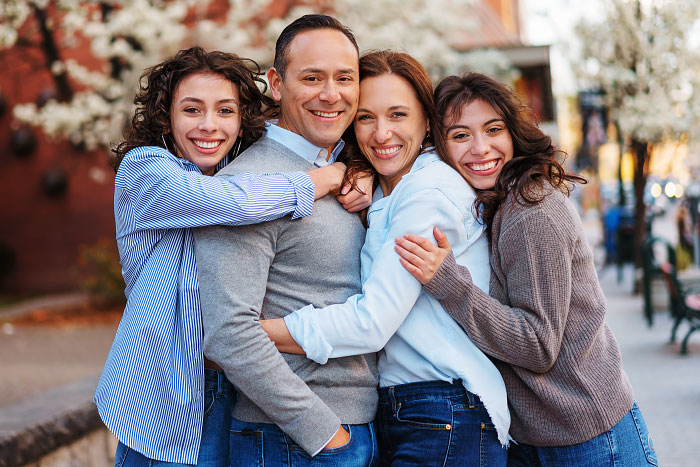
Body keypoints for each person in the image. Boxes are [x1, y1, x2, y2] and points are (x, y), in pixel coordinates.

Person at [95, 46, 370, 467]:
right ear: (166, 116)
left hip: (234, 389)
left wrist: (356, 166)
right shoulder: (146, 171)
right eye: (192, 110)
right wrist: (330, 176)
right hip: (166, 393)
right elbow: (228, 200)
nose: (209, 126)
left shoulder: (243, 170)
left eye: (225, 111)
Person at [394, 72, 657, 466]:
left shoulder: (530, 210)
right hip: (541, 438)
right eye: (460, 135)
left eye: (493, 129)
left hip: (589, 440)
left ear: (513, 132)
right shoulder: (496, 201)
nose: (480, 148)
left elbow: (538, 345)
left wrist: (451, 285)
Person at [261, 51, 510, 466]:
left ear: (427, 121)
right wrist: (354, 168)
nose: (381, 134)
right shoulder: (387, 186)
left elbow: (371, 323)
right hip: (411, 409)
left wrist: (252, 333)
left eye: (398, 115)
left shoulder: (428, 194)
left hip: (447, 409)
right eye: (365, 117)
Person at [193, 15, 378, 466]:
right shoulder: (247, 188)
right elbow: (225, 332)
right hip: (289, 440)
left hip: (353, 427)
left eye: (344, 78)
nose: (331, 94)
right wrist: (324, 434)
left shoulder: (344, 168)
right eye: (312, 78)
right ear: (276, 84)